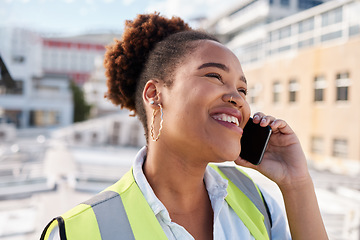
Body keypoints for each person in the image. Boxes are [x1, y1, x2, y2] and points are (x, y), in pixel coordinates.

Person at [41, 13, 328, 240]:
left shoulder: (257, 201)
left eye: (243, 90)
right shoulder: (76, 232)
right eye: (215, 76)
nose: (237, 98)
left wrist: (296, 184)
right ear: (155, 95)